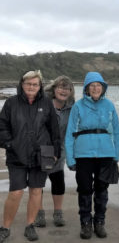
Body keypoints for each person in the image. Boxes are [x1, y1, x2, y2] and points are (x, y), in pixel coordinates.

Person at [0, 70, 61, 242]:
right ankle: (5, 227)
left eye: (35, 84)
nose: (31, 87)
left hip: (42, 153)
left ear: (40, 86)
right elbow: (2, 126)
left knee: (36, 191)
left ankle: (30, 225)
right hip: (16, 154)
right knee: (16, 192)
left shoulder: (47, 103)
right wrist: (9, 144)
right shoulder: (11, 103)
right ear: (22, 84)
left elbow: (54, 130)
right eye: (28, 84)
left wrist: (55, 152)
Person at [65, 71, 119, 239]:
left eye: (99, 85)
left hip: (105, 154)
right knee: (84, 189)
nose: (96, 88)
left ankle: (99, 222)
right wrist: (70, 157)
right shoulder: (78, 106)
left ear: (103, 88)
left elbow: (117, 132)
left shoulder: (109, 106)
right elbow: (70, 133)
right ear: (86, 89)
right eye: (92, 85)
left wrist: (116, 154)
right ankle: (85, 223)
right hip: (83, 154)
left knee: (102, 189)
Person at [33, 76, 75, 228]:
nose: (63, 90)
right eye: (61, 87)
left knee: (58, 180)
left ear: (71, 92)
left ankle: (58, 213)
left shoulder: (73, 107)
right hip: (40, 148)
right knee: (38, 183)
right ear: (54, 88)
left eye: (67, 88)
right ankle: (39, 213)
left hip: (60, 149)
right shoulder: (42, 103)